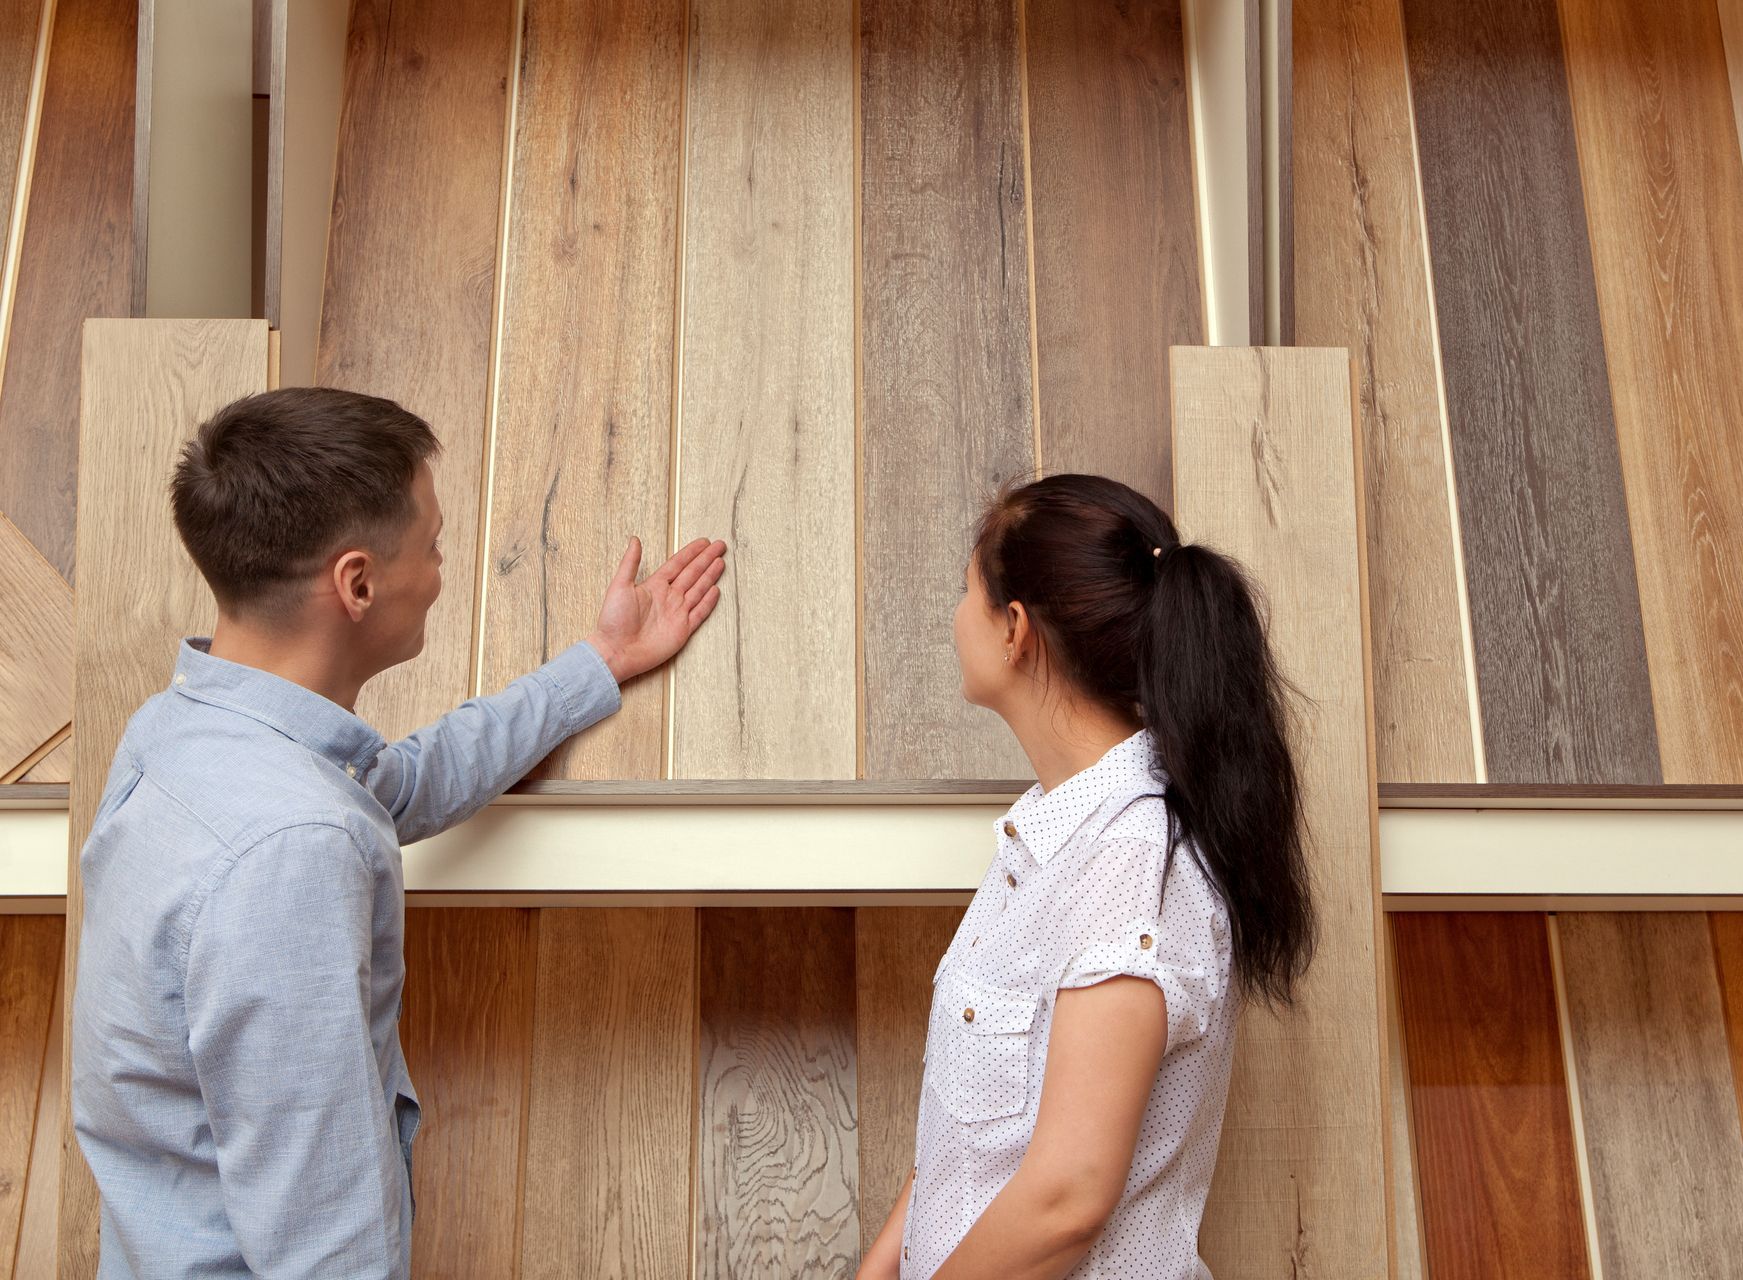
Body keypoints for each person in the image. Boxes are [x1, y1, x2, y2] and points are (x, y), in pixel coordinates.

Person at [69, 387, 726, 1278]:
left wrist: (597, 664)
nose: (442, 570)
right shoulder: (296, 849)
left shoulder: (184, 733)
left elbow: (398, 782)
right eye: (435, 546)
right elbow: (325, 1248)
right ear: (358, 582)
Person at [857, 474, 1315, 1280]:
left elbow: (1069, 1196)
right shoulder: (1045, 843)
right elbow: (968, 1137)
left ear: (1015, 630)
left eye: (966, 593)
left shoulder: (1129, 863)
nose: (954, 618)